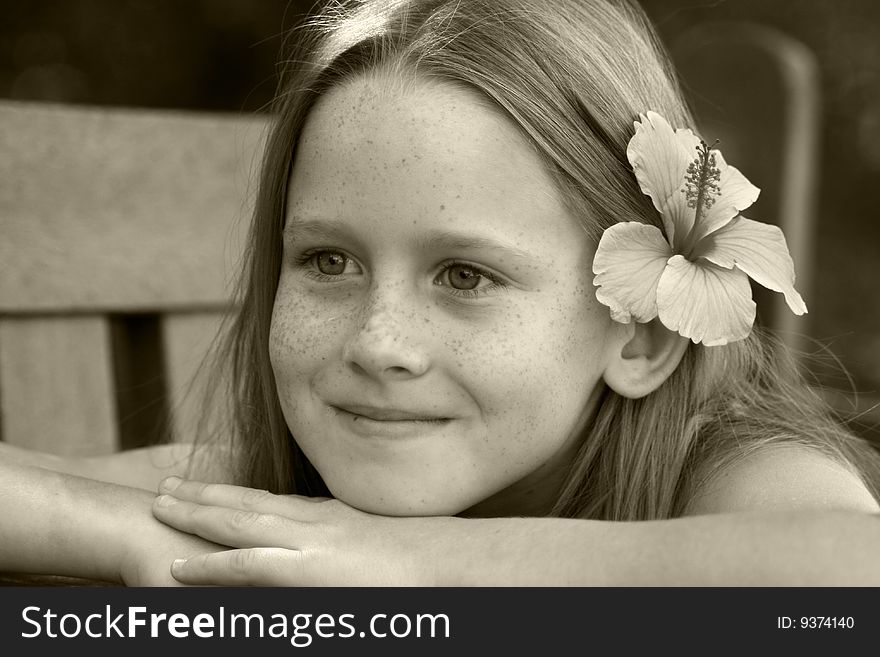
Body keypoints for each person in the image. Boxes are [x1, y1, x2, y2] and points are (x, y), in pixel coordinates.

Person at [3, 0, 880, 586]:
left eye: (466, 276)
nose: (381, 341)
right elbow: (47, 488)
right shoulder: (307, 496)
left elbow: (854, 567)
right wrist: (118, 532)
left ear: (641, 336)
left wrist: (430, 559)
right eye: (329, 263)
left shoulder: (727, 469)